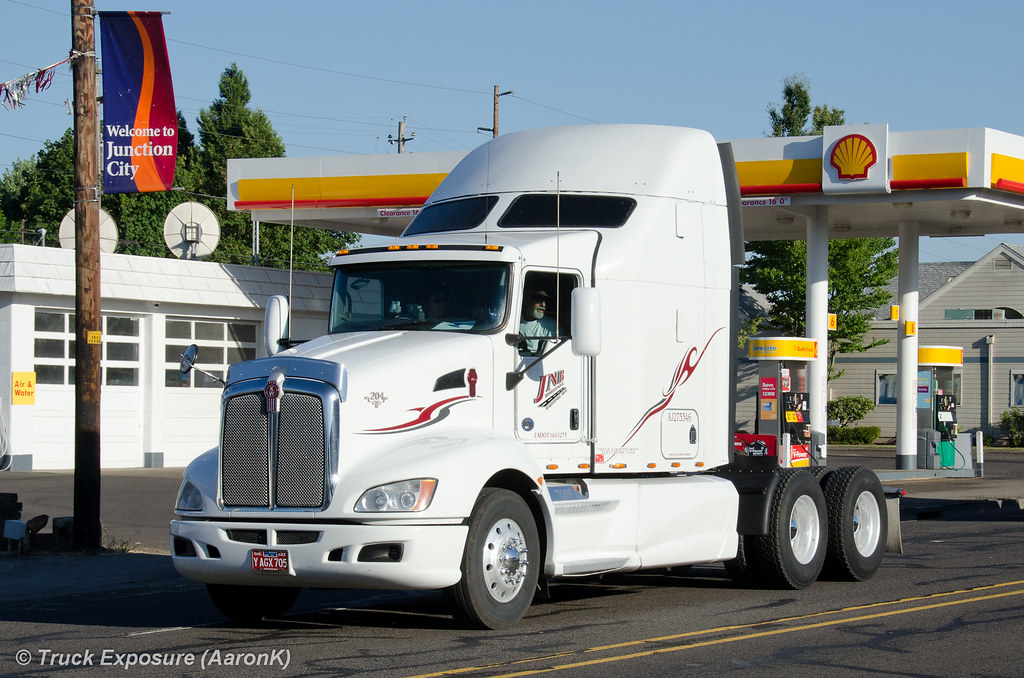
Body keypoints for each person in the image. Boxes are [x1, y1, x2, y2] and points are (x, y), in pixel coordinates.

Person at [519, 289, 558, 355]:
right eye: (539, 300)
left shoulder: (552, 327)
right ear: (528, 300)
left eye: (546, 301)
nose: (543, 304)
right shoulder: (514, 321)